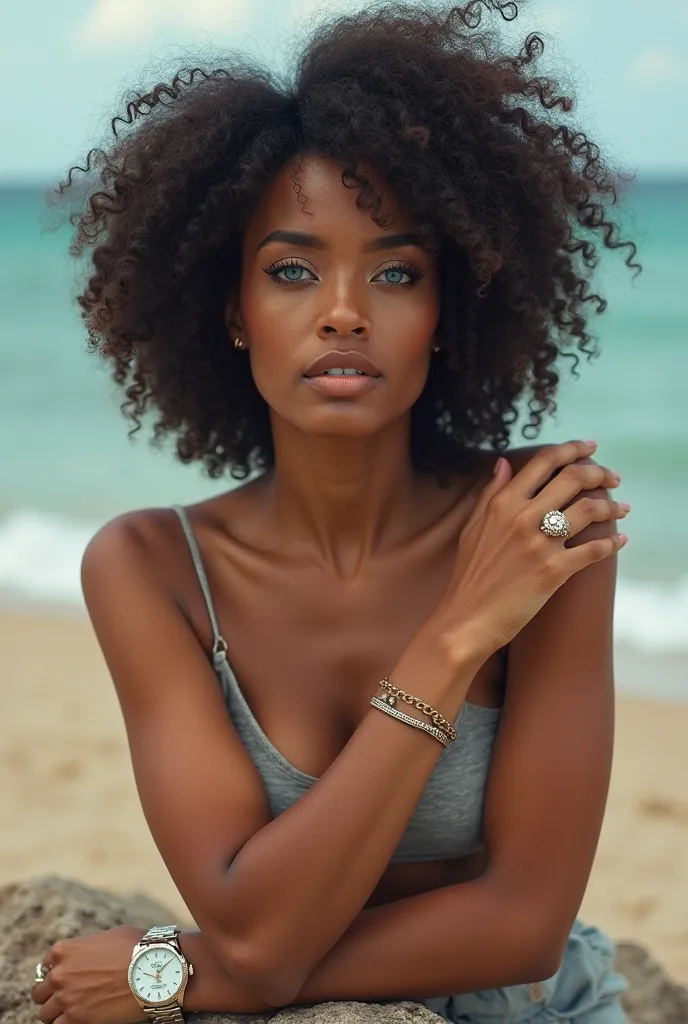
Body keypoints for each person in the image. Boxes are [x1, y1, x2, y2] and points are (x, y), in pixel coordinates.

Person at [32, 2, 641, 1022]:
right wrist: (455, 637)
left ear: (449, 310)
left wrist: (177, 972)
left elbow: (524, 921)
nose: (345, 308)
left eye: (396, 271)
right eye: (292, 269)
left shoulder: (540, 521)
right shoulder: (149, 567)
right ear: (231, 309)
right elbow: (253, 921)